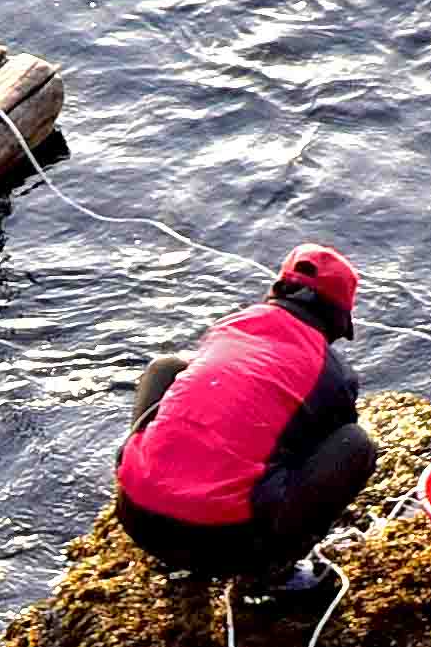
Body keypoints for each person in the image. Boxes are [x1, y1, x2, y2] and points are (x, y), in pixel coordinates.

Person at [112, 246, 383, 606]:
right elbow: (322, 452)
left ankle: (171, 546)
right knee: (356, 444)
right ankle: (274, 576)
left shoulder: (228, 328)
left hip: (138, 518)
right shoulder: (332, 373)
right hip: (230, 544)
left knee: (166, 367)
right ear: (336, 319)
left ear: (275, 292)